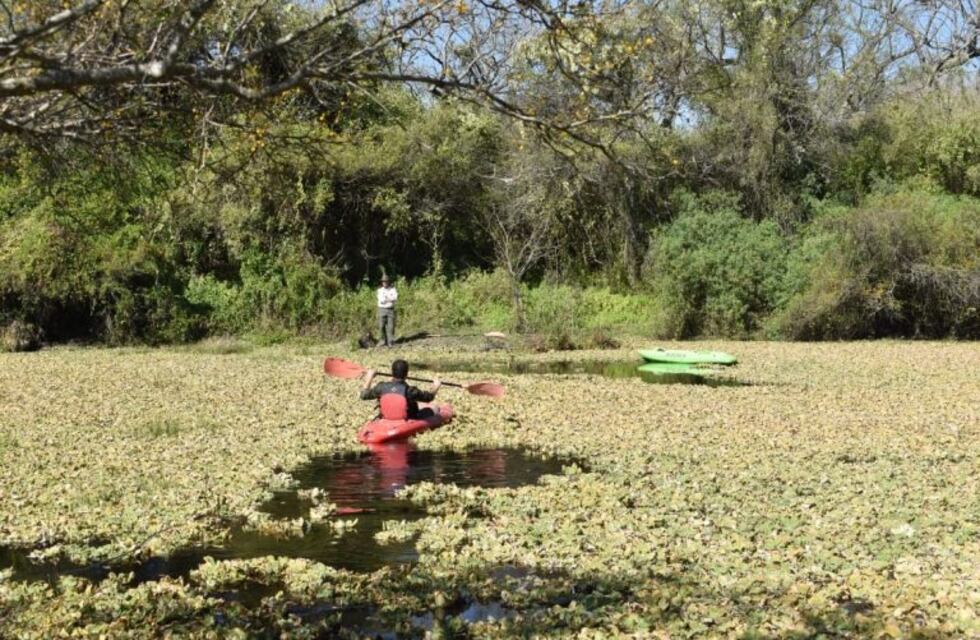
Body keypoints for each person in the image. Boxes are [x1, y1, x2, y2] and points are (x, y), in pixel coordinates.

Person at [361, 359, 441, 419]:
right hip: (409, 418)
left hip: (386, 417)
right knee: (434, 408)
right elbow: (429, 398)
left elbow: (363, 395)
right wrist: (435, 387)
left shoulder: (381, 387)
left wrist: (369, 377)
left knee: (419, 404)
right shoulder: (410, 391)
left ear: (392, 373)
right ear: (406, 375)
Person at [376, 275, 398, 347]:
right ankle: (382, 341)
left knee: (391, 327)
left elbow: (395, 298)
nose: (384, 283)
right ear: (382, 282)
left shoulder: (393, 289)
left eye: (386, 281)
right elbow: (382, 300)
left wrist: (388, 299)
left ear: (388, 282)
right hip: (382, 309)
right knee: (381, 326)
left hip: (391, 310)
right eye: (383, 281)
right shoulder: (379, 290)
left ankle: (390, 341)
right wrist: (390, 299)